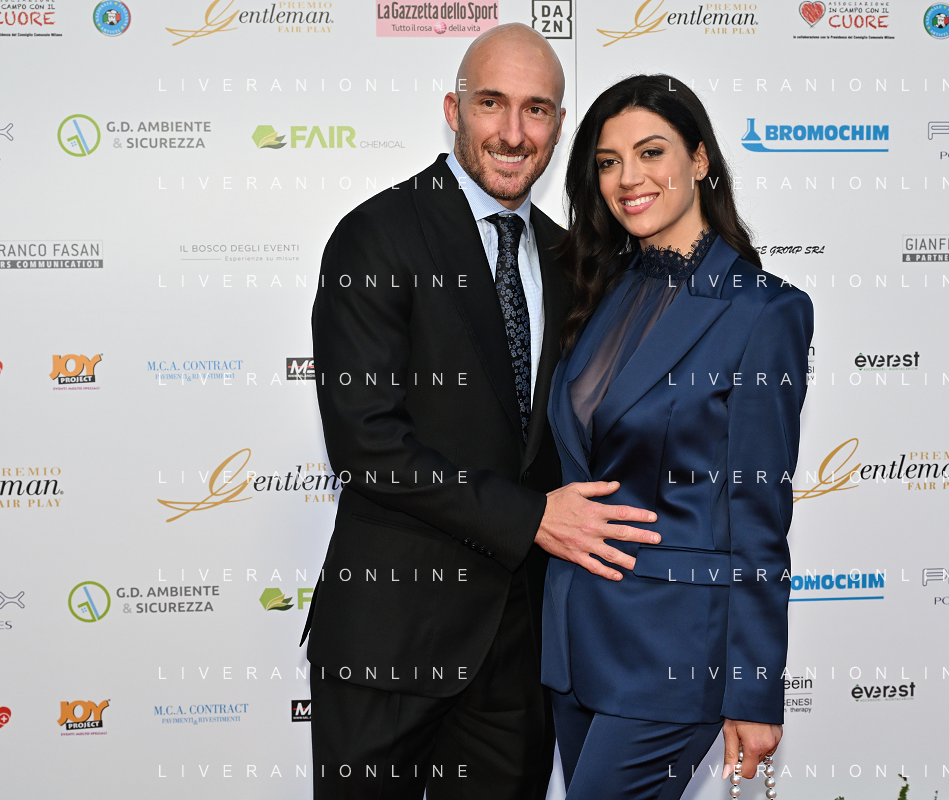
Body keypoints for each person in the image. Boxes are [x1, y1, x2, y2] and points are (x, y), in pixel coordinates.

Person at [304, 24, 660, 800]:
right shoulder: (376, 236)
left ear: (558, 127)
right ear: (453, 111)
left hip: (518, 656)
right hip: (389, 640)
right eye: (491, 103)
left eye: (536, 110)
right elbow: (366, 442)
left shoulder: (573, 260)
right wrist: (532, 517)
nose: (513, 132)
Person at [542, 74, 813, 800]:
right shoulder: (598, 288)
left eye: (651, 152)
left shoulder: (763, 312)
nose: (628, 178)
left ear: (698, 159)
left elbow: (759, 512)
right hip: (575, 640)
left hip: (673, 652)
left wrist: (754, 689)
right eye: (608, 162)